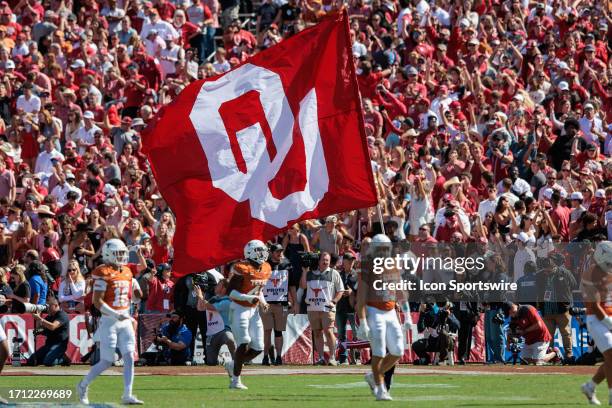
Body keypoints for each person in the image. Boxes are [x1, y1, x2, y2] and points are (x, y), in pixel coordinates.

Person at [77, 239, 143, 405]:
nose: (121, 256)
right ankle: (83, 385)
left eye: (122, 253)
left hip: (125, 319)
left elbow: (142, 269)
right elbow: (97, 301)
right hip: (109, 320)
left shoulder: (127, 271)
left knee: (129, 357)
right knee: (107, 361)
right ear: (108, 254)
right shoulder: (102, 271)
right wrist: (115, 314)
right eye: (118, 253)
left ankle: (127, 394)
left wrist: (140, 255)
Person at [357, 234, 409, 401]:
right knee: (378, 351)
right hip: (374, 310)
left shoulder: (393, 263)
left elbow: (400, 291)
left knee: (398, 351)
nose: (383, 252)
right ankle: (380, 389)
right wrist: (363, 321)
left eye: (385, 248)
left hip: (391, 311)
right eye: (380, 248)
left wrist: (407, 314)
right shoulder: (366, 265)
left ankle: (373, 375)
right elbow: (361, 297)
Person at [223, 240, 271, 390]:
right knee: (244, 341)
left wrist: (262, 302)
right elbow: (230, 293)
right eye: (258, 251)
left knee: (258, 347)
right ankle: (235, 381)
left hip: (254, 310)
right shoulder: (241, 268)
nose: (262, 254)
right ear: (250, 253)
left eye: (262, 250)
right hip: (239, 308)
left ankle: (233, 365)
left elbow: (258, 290)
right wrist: (248, 298)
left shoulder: (266, 267)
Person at [581, 242, 612, 406]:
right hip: (597, 319)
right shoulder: (591, 273)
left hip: (609, 318)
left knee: (610, 360)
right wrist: (610, 323)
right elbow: (594, 306)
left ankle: (590, 386)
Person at [301, 252, 344, 366]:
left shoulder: (334, 273)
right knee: (317, 333)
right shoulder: (310, 273)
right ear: (318, 261)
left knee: (329, 332)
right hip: (313, 308)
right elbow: (303, 286)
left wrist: (334, 301)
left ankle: (332, 357)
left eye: (327, 260)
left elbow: (340, 290)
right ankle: (320, 357)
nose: (325, 262)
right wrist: (305, 271)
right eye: (323, 260)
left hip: (327, 308)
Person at [259, 243, 292, 366]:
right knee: (267, 331)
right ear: (271, 253)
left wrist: (295, 301)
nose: (280, 253)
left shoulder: (286, 265)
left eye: (281, 251)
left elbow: (291, 285)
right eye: (277, 251)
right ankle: (265, 356)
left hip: (281, 303)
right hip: (266, 304)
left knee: (279, 332)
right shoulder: (264, 266)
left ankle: (279, 357)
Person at [501, 301, 560, 365]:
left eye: (510, 312)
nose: (510, 315)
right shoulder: (513, 316)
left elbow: (539, 325)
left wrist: (524, 331)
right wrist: (508, 343)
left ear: (513, 307)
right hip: (529, 340)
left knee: (538, 362)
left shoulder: (528, 309)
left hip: (541, 337)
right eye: (509, 314)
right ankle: (546, 352)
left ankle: (555, 352)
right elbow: (511, 330)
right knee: (524, 361)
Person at [195, 279, 236, 366]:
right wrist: (200, 297)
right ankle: (221, 359)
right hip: (212, 333)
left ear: (224, 288)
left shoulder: (227, 301)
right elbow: (200, 308)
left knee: (229, 339)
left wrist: (200, 296)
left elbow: (210, 307)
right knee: (211, 362)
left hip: (224, 330)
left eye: (218, 285)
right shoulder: (213, 299)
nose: (216, 286)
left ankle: (236, 360)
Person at [26, 295, 69, 366]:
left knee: (48, 362)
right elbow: (39, 328)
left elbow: (53, 326)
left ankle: (63, 359)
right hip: (49, 344)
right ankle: (51, 357)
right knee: (31, 361)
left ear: (55, 305)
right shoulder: (50, 316)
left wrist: (40, 319)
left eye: (49, 306)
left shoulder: (62, 315)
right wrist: (37, 317)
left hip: (59, 345)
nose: (47, 308)